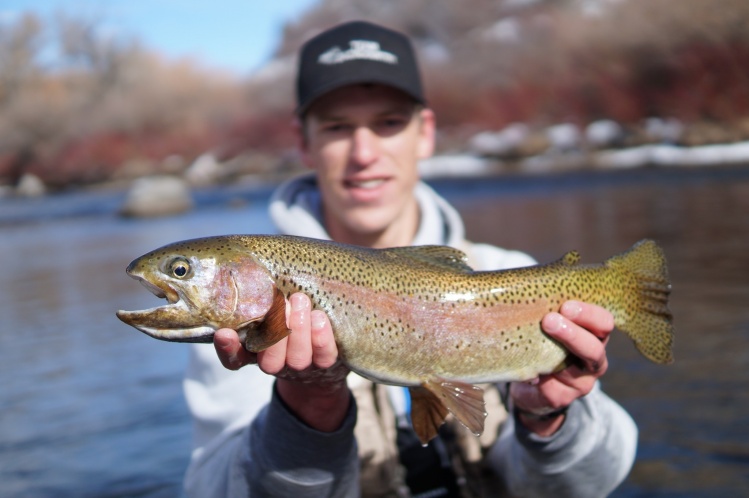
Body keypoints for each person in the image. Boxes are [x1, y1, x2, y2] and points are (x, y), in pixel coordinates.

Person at [182, 20, 637, 497]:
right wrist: (306, 412)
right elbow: (210, 488)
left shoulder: (508, 275)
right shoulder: (242, 313)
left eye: (389, 123)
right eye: (338, 128)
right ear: (304, 141)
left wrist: (548, 420)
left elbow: (585, 485)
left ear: (425, 133)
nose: (364, 153)